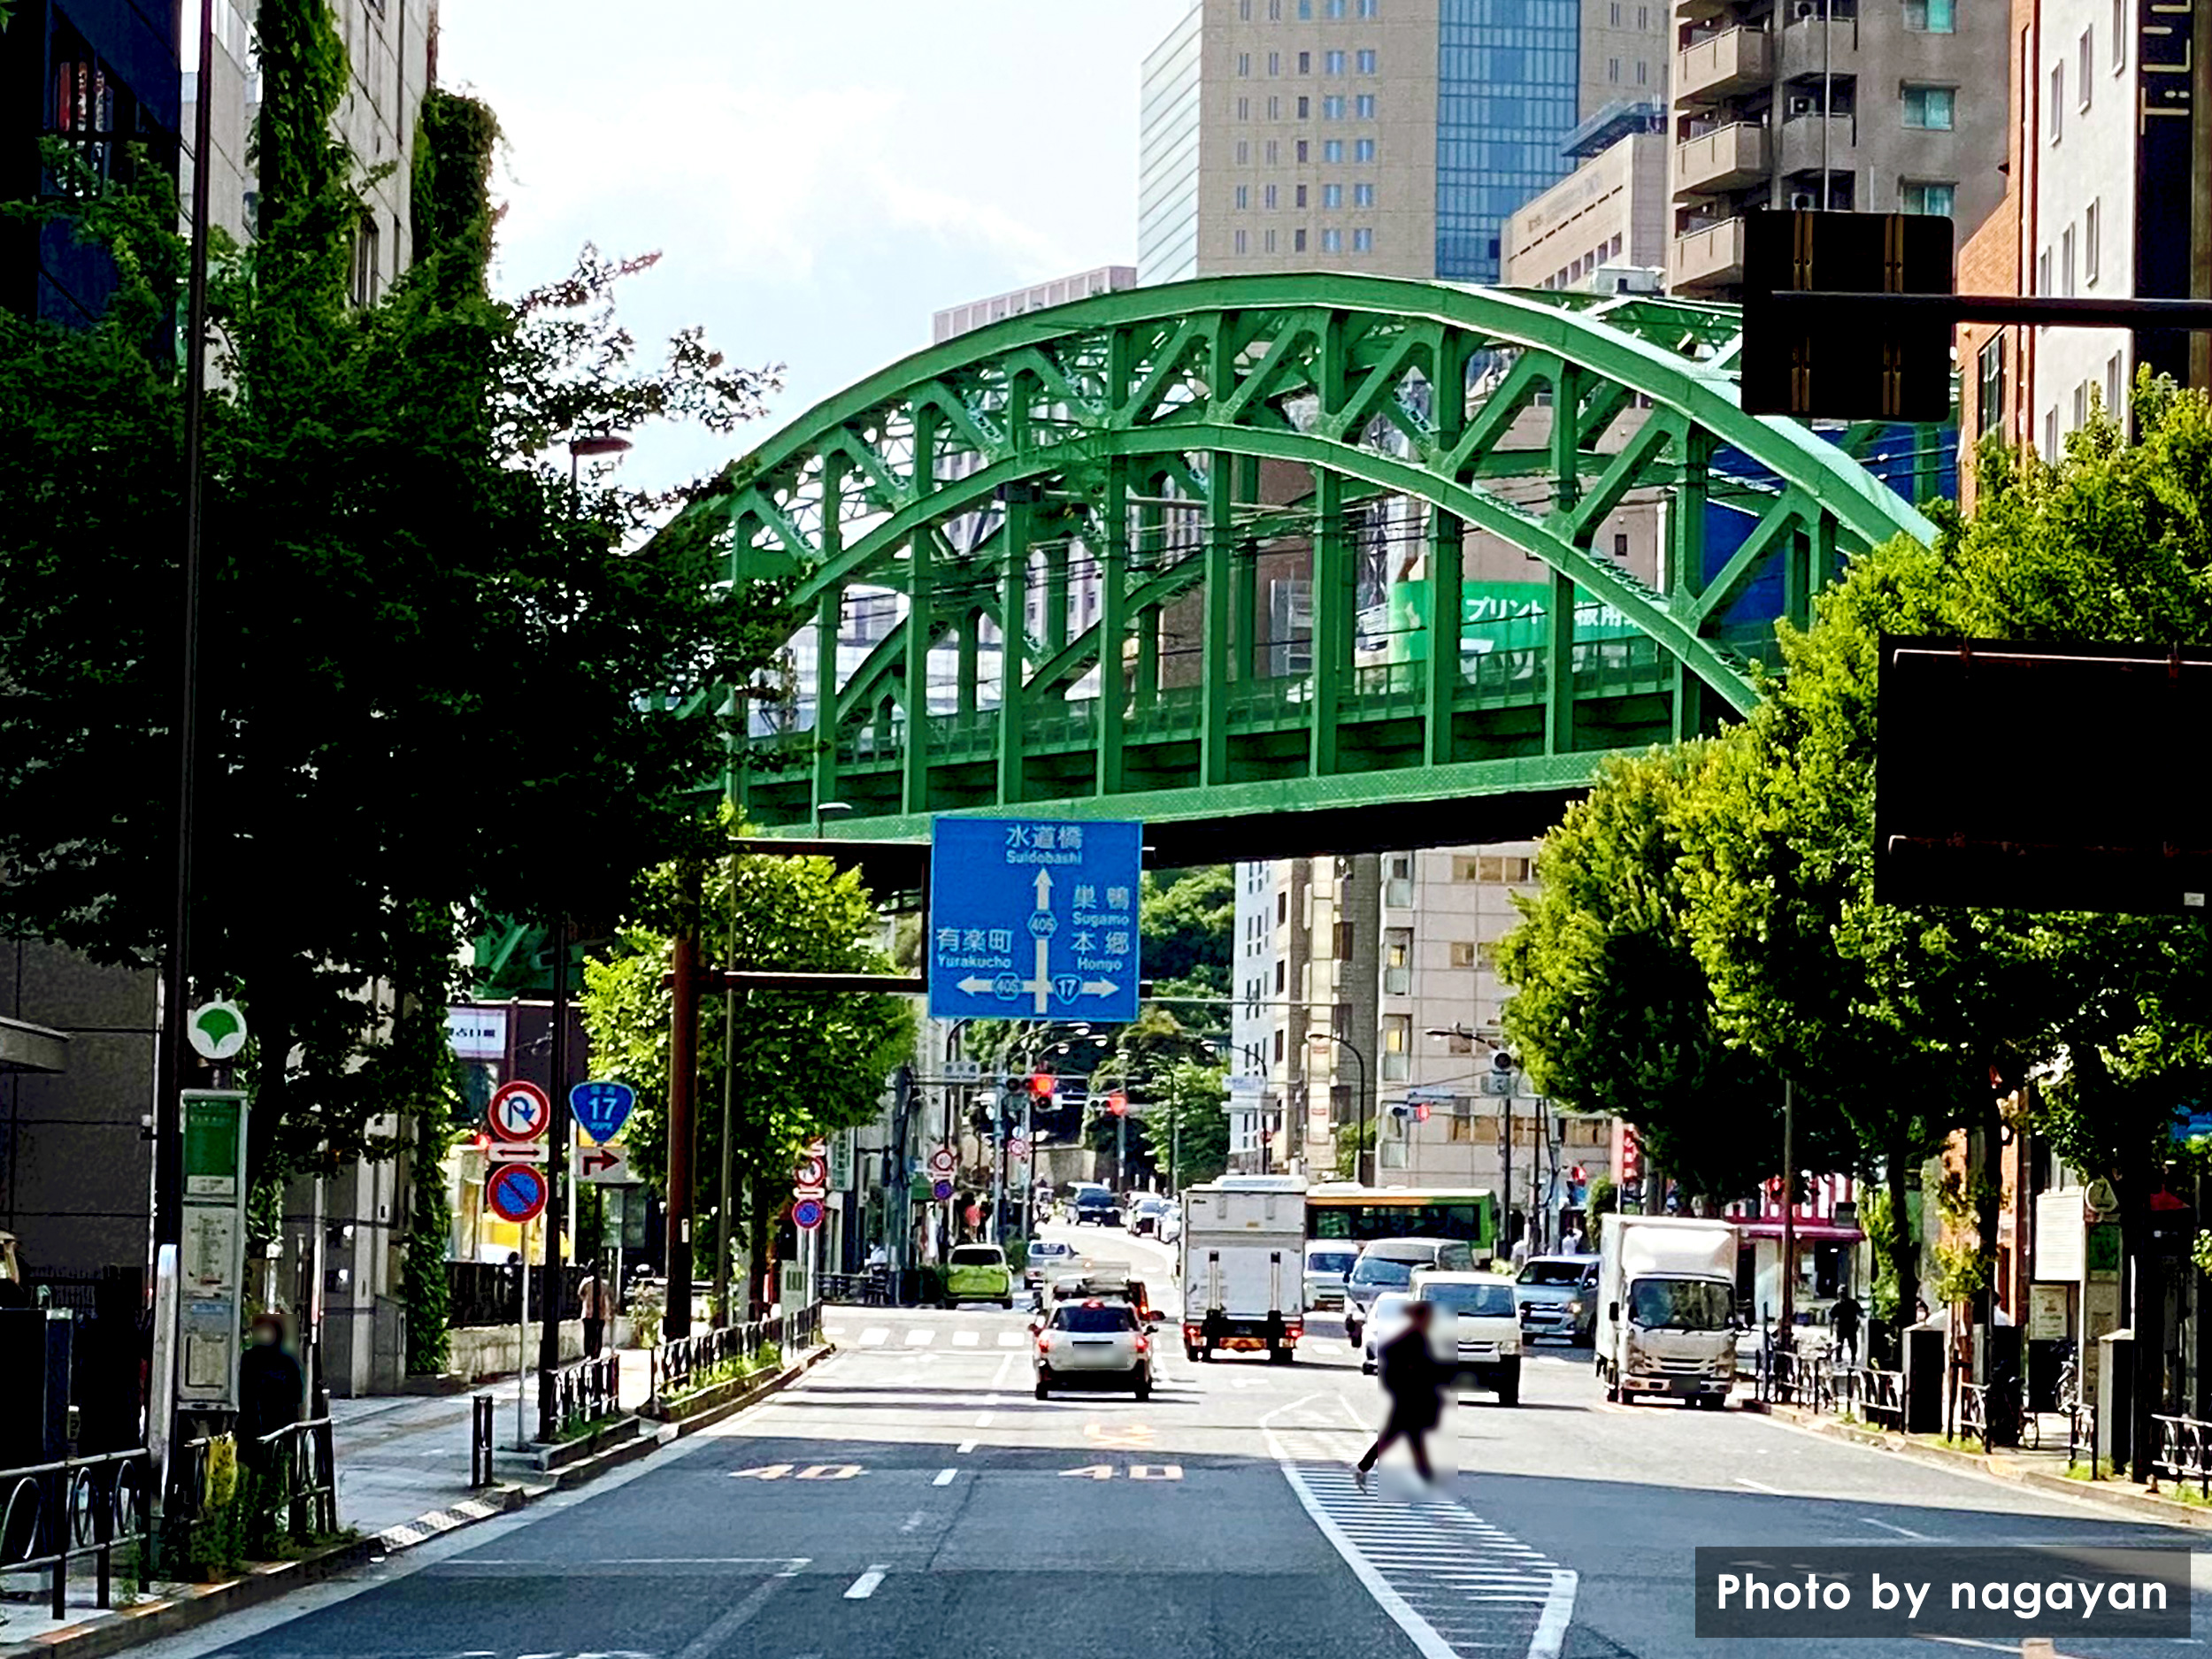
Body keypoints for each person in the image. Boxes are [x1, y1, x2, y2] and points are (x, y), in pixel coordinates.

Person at [1354, 1301, 1448, 1492]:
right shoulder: (1411, 1338)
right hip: (1408, 1394)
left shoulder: (1417, 1337)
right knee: (1403, 1435)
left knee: (1404, 1435)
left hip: (1412, 1394)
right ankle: (1424, 1475)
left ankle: (1365, 1467)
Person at [237, 1311, 305, 1460]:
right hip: (262, 1424)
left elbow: (297, 1395)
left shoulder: (251, 1359)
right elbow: (297, 1395)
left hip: (270, 1425)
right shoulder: (285, 1361)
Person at [578, 1268, 611, 1358]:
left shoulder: (588, 1283)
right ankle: (593, 1353)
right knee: (595, 1335)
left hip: (592, 1313)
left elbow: (580, 1294)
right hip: (597, 1313)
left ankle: (590, 1353)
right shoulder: (602, 1284)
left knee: (590, 1335)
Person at [1831, 1290, 1863, 1363]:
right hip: (1850, 1326)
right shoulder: (1853, 1303)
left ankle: (1840, 1357)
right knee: (1851, 1343)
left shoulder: (1838, 1304)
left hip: (1843, 1327)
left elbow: (1832, 1315)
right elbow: (1861, 1311)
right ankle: (1852, 1357)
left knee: (1841, 1343)